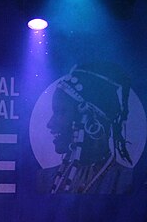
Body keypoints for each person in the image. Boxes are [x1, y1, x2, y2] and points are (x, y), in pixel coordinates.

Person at [37, 62, 134, 194]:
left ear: (92, 122)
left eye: (60, 112)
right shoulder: (44, 180)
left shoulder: (127, 182)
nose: (50, 123)